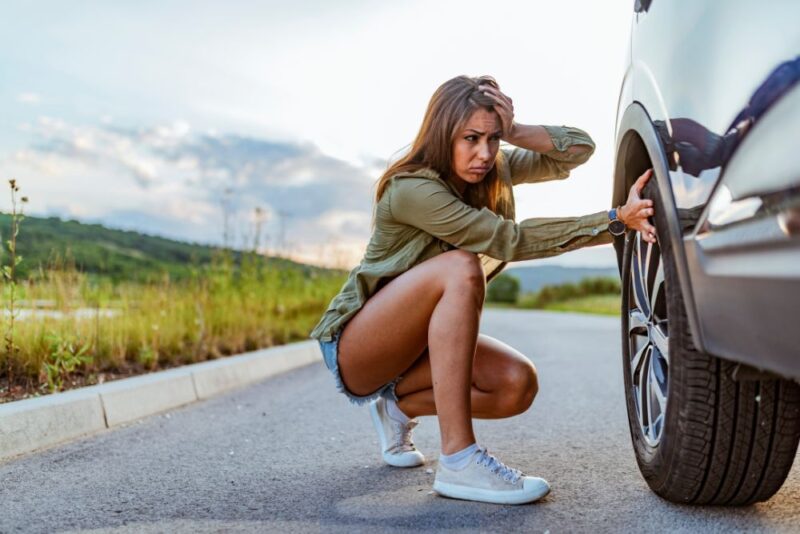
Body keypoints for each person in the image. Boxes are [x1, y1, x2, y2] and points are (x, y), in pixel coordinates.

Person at [309, 75, 655, 505]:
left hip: (417, 350)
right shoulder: (413, 188)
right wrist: (614, 221)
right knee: (460, 267)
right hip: (360, 346)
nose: (485, 153)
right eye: (471, 138)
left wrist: (515, 131)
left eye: (493, 139)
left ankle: (399, 406)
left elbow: (579, 150)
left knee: (516, 383)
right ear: (442, 133)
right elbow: (507, 240)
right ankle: (458, 462)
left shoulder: (495, 164)